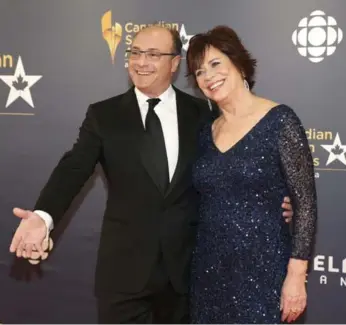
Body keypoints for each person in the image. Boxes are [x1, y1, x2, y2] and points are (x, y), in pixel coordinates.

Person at [9, 25, 293, 324]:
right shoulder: (104, 115)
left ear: (174, 64)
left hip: (186, 276)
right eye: (135, 53)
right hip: (124, 277)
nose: (141, 62)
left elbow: (228, 170)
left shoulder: (203, 114)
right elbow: (74, 167)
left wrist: (274, 202)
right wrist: (43, 216)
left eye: (153, 54)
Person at [186, 25, 317, 324]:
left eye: (216, 64)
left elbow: (306, 205)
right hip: (209, 269)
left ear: (239, 64)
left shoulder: (280, 121)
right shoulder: (206, 131)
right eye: (199, 72)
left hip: (264, 270)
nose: (209, 76)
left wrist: (296, 277)